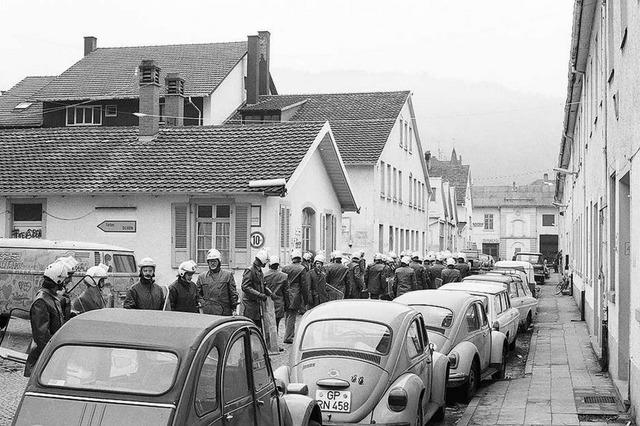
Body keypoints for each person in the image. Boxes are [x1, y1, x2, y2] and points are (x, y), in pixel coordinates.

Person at [25, 259, 75, 377]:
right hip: (44, 357)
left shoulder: (51, 297)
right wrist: (53, 356)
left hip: (52, 354)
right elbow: (41, 336)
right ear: (57, 280)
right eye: (63, 279)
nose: (65, 282)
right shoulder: (42, 301)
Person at [197, 249, 238, 316]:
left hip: (224, 311)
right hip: (208, 311)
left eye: (214, 261)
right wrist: (203, 303)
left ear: (219, 262)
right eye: (210, 261)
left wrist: (234, 309)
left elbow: (233, 294)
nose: (212, 263)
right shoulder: (202, 277)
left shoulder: (227, 275)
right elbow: (198, 294)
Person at [282, 249, 309, 344]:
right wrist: (306, 300)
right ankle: (288, 336)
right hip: (295, 294)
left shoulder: (285, 268)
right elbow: (304, 285)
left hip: (286, 293)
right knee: (292, 315)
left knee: (287, 314)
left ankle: (288, 333)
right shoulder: (302, 269)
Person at [240, 250, 271, 328]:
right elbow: (245, 286)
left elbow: (262, 285)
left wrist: (269, 292)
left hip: (256, 304)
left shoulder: (259, 271)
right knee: (250, 326)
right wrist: (259, 294)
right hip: (250, 305)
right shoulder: (250, 270)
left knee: (258, 326)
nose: (265, 264)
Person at [264, 255, 289, 331]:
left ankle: (269, 341)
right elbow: (286, 292)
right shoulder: (284, 276)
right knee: (276, 325)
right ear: (278, 265)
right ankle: (275, 340)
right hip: (279, 303)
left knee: (268, 325)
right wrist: (287, 305)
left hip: (267, 303)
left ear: (269, 265)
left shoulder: (264, 276)